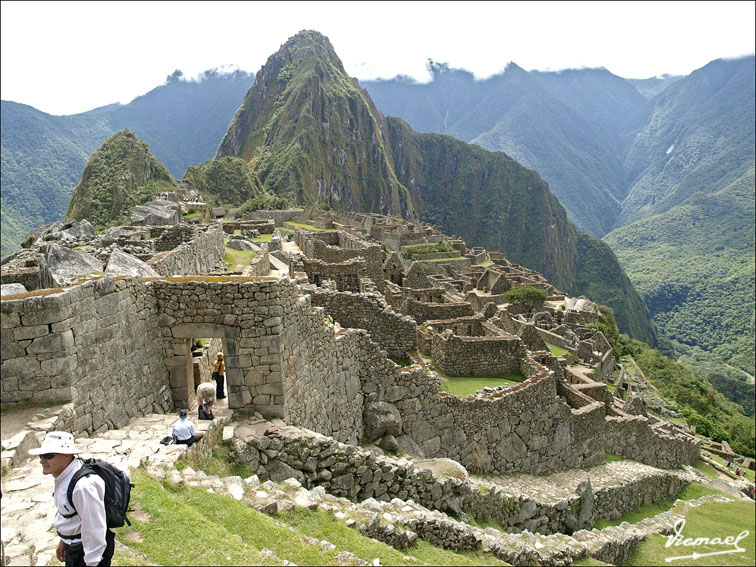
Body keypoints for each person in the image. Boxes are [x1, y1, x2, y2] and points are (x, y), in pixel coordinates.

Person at [29, 431, 115, 567]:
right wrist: (64, 540)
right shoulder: (64, 476)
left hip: (86, 554)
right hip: (74, 547)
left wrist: (92, 562)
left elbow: (94, 528)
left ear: (67, 455)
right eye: (41, 455)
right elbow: (70, 515)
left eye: (48, 455)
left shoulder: (83, 486)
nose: (42, 460)